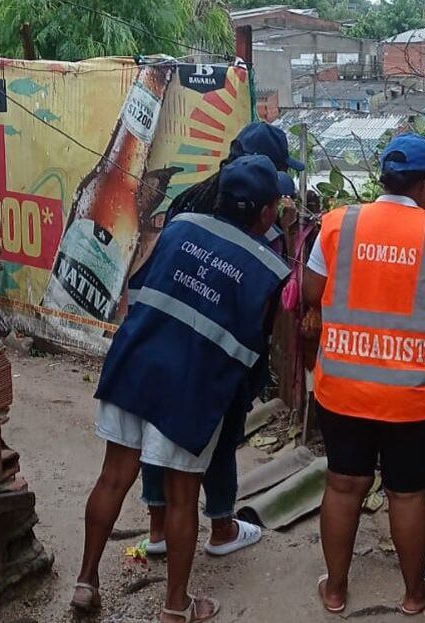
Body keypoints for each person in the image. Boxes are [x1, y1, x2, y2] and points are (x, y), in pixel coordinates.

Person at [72, 155, 292, 623]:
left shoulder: (181, 225)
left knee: (113, 476)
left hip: (134, 363)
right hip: (191, 386)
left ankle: (86, 581)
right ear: (268, 211)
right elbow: (254, 347)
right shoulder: (268, 271)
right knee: (182, 496)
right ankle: (176, 605)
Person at [302, 133, 425, 616]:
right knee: (406, 492)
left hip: (343, 389)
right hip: (412, 396)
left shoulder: (338, 224)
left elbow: (312, 291)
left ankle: (335, 590)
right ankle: (413, 593)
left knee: (343, 485)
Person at [136, 122, 303, 557]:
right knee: (222, 431)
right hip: (221, 344)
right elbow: (261, 301)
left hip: (167, 335)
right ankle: (221, 527)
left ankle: (158, 528)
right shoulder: (255, 223)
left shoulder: (189, 202)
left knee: (160, 423)